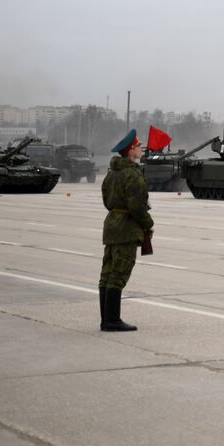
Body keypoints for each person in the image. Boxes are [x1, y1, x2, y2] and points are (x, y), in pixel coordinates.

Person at [99, 129, 154, 332]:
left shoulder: (111, 174)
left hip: (112, 223)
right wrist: (148, 223)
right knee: (119, 273)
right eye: (139, 147)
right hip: (126, 228)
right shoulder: (132, 175)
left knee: (107, 272)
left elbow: (106, 200)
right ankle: (112, 320)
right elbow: (137, 207)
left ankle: (106, 319)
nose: (141, 150)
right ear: (131, 151)